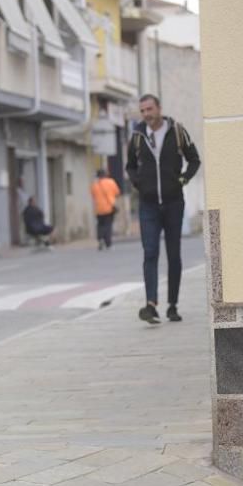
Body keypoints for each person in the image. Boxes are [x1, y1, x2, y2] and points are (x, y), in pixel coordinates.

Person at [126, 94, 201, 324]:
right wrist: (139, 184)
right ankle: (151, 304)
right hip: (148, 204)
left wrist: (182, 179)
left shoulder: (177, 131)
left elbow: (194, 160)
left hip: (173, 203)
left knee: (173, 254)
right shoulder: (138, 136)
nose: (146, 114)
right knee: (150, 253)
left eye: (150, 109)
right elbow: (130, 166)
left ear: (159, 108)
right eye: (143, 111)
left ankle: (172, 305)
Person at [90, 168, 120, 250]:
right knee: (108, 225)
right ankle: (108, 243)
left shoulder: (95, 185)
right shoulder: (111, 182)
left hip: (99, 209)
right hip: (109, 207)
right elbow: (117, 192)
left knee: (100, 225)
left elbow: (93, 195)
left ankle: (100, 239)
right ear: (105, 174)